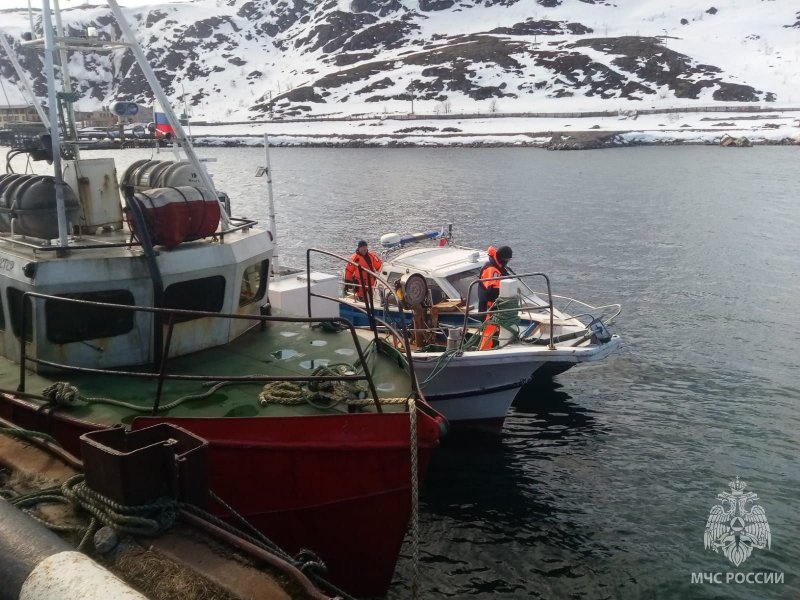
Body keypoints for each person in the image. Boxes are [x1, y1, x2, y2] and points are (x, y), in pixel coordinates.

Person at [478, 245, 512, 350]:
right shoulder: (492, 269)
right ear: (502, 258)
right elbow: (492, 290)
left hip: (495, 306)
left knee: (494, 330)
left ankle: (495, 347)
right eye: (506, 259)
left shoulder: (498, 267)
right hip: (489, 307)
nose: (507, 262)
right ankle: (483, 352)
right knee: (488, 332)